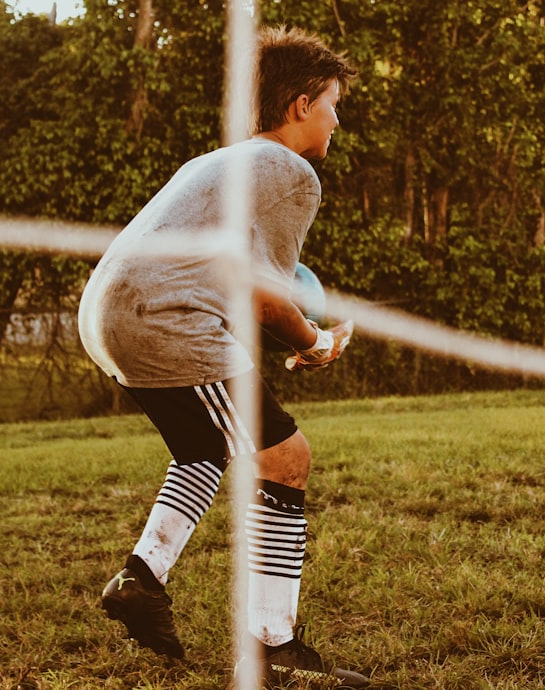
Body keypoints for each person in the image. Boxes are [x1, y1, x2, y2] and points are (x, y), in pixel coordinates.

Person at [77, 25, 369, 689]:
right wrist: (314, 341)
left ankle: (142, 579)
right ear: (300, 105)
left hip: (111, 315)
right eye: (333, 103)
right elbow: (265, 295)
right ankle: (274, 652)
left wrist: (294, 335)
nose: (337, 120)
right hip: (162, 316)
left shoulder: (219, 161)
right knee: (285, 459)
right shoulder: (291, 170)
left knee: (206, 449)